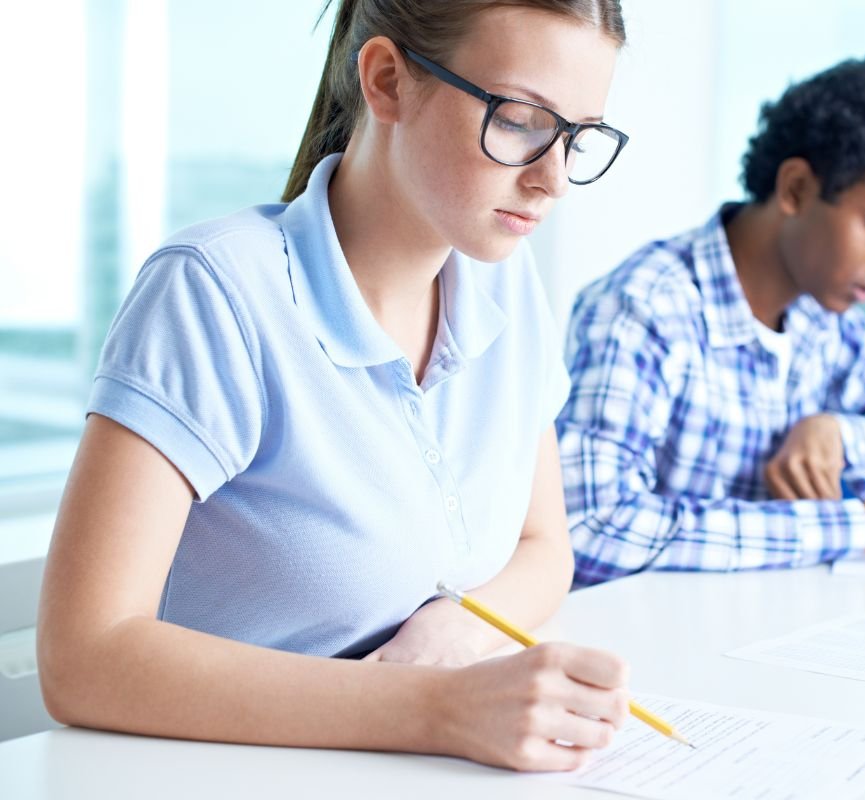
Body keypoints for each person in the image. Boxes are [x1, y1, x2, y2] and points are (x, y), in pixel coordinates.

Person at [38, 0, 633, 772]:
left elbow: (544, 546)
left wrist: (458, 625)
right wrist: (439, 708)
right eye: (521, 120)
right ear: (386, 82)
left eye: (580, 137)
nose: (553, 179)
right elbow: (84, 657)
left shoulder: (507, 287)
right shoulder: (216, 291)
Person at [557, 58, 865, 588]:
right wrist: (858, 525)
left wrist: (838, 435)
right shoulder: (643, 309)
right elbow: (591, 527)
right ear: (795, 189)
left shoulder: (835, 325)